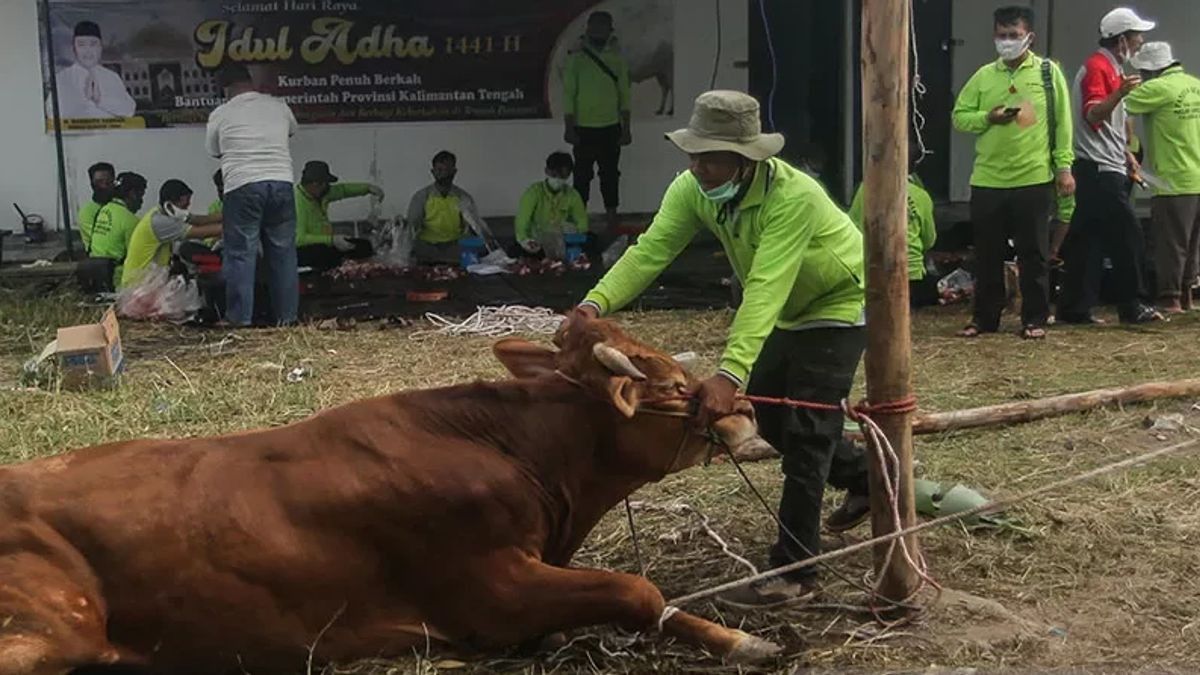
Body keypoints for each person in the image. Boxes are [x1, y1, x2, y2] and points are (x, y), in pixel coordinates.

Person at [570, 91, 870, 605]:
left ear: (747, 157)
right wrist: (592, 306)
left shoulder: (792, 196)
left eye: (710, 156)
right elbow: (650, 252)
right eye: (693, 153)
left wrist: (729, 374)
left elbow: (767, 285)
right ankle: (867, 477)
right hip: (785, 311)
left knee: (807, 432)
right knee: (773, 422)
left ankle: (796, 570)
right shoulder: (692, 189)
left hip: (835, 303)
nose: (698, 166)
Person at [951, 6, 1075, 339]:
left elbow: (1063, 124)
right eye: (1001, 36)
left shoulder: (1048, 73)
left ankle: (1034, 318)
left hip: (1033, 177)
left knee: (1033, 253)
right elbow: (960, 116)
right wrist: (987, 118)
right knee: (987, 253)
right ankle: (984, 318)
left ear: (1029, 37)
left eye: (1014, 36)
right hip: (988, 179)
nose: (1007, 42)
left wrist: (1064, 168)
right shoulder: (983, 76)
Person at [1057, 7, 1162, 325]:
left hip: (1104, 165)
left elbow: (1110, 124)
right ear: (1121, 40)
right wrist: (1119, 93)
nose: (1141, 41)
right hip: (1099, 169)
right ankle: (1132, 304)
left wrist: (1127, 154)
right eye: (1136, 36)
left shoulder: (1111, 67)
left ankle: (1074, 307)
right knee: (1128, 236)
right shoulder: (1099, 67)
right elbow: (1093, 114)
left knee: (1088, 240)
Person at [205, 63, 299, 327]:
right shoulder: (279, 106)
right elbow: (291, 131)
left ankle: (239, 319)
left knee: (240, 254)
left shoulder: (221, 113)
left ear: (226, 89)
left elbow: (214, 150)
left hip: (243, 185)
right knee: (283, 253)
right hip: (281, 182)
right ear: (250, 82)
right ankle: (287, 318)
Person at [1125, 42, 1200, 313]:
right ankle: (1188, 295)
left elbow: (1117, 108)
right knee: (1193, 244)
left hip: (1173, 181)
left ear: (1150, 69)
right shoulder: (1194, 85)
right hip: (1198, 177)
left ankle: (1170, 299)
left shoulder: (1157, 88)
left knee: (1171, 243)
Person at [563, 10, 632, 232]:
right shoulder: (576, 59)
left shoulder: (617, 59)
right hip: (583, 128)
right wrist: (569, 127)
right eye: (594, 26)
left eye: (603, 26)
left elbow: (625, 95)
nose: (598, 30)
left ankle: (612, 216)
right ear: (587, 28)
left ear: (610, 30)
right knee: (582, 176)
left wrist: (626, 128)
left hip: (611, 127)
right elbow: (568, 96)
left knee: (610, 174)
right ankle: (579, 218)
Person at [847, 169, 938, 308]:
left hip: (873, 276)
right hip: (912, 279)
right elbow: (929, 240)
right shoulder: (921, 196)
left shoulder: (864, 189)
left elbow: (853, 227)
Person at [120, 179, 223, 289]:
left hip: (149, 282)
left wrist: (231, 214)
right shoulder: (160, 222)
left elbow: (198, 220)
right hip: (139, 285)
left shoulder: (162, 213)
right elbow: (201, 233)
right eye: (184, 205)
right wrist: (238, 226)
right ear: (170, 204)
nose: (187, 207)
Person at [294, 160, 383, 271]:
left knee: (364, 246)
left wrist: (368, 188)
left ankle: (361, 270)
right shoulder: (297, 202)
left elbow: (343, 190)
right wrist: (332, 240)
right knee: (328, 255)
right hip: (303, 251)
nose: (327, 188)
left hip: (326, 243)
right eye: (325, 184)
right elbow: (299, 239)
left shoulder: (320, 193)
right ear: (315, 184)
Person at [406, 151, 490, 263]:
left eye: (447, 170)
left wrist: (485, 241)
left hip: (455, 245)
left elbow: (475, 226)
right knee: (413, 250)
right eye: (440, 170)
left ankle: (442, 261)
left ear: (454, 172)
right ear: (433, 172)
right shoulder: (421, 197)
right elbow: (412, 226)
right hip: (427, 245)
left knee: (477, 249)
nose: (444, 174)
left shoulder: (463, 197)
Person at [45, 21, 136, 120]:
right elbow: (52, 114)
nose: (88, 51)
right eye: (82, 45)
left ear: (100, 47)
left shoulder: (112, 77)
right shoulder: (62, 78)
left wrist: (100, 100)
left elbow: (129, 110)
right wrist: (83, 99)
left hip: (110, 134)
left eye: (93, 44)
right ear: (74, 48)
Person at [515, 151, 589, 259]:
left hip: (562, 242)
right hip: (537, 241)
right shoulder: (533, 193)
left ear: (569, 175)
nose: (558, 179)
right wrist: (524, 240)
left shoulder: (572, 195)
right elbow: (522, 221)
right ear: (546, 171)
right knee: (517, 251)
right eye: (554, 175)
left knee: (591, 242)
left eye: (563, 176)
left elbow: (582, 223)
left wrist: (574, 231)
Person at [90, 171, 146, 288]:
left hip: (93, 273)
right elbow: (137, 258)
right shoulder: (131, 221)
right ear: (132, 194)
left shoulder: (104, 210)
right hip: (117, 280)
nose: (142, 201)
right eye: (141, 195)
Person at [79, 161, 115, 251]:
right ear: (91, 183)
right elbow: (102, 239)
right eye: (99, 182)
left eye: (108, 181)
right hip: (98, 258)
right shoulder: (87, 211)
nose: (104, 185)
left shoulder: (119, 206)